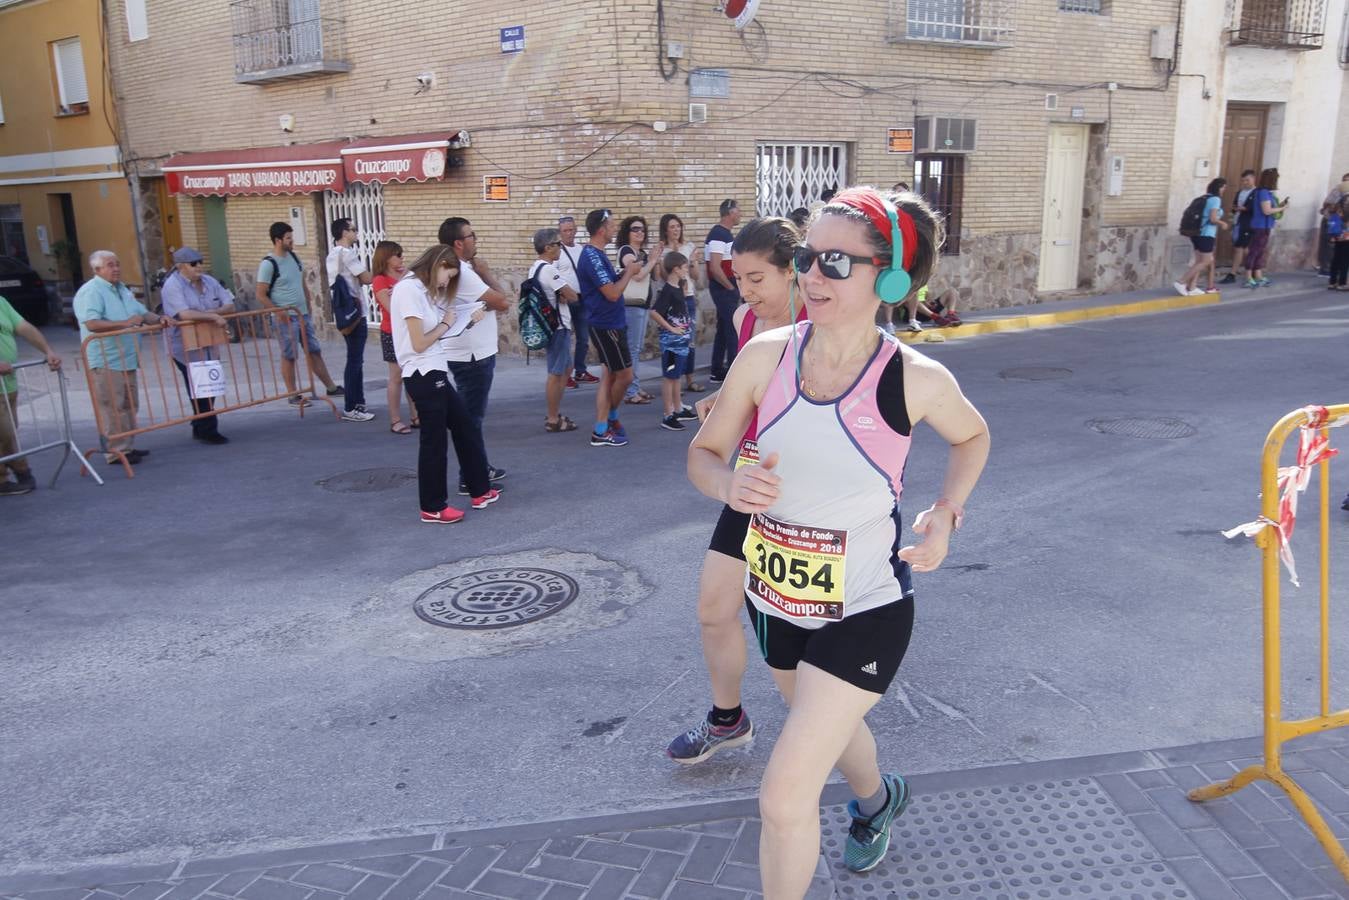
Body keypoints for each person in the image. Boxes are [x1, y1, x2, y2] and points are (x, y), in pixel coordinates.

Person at [687, 187, 989, 895]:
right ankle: (880, 799)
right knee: (818, 720)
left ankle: (868, 805)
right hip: (778, 599)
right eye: (806, 259)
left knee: (783, 795)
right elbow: (703, 455)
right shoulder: (765, 356)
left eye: (832, 262)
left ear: (887, 277)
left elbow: (972, 436)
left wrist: (947, 511)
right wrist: (726, 486)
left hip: (867, 606)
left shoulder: (913, 379)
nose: (809, 276)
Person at [666, 216, 811, 766]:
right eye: (738, 277)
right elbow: (744, 385)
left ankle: (828, 739)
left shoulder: (829, 330)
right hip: (752, 483)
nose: (744, 290)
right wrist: (723, 399)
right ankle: (729, 719)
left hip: (814, 497)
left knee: (801, 631)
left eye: (755, 278)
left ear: (794, 272)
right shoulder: (746, 318)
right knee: (713, 608)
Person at [389, 244, 498, 523]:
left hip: (434, 370)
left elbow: (436, 333)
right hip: (422, 373)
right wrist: (448, 324)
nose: (446, 283)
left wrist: (464, 321)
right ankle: (433, 506)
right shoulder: (409, 291)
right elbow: (419, 342)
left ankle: (479, 489)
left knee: (464, 427)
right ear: (438, 264)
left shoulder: (423, 292)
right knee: (434, 441)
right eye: (447, 276)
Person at [437, 217, 509, 494]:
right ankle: (470, 476)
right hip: (472, 355)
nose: (475, 240)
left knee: (471, 416)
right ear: (458, 242)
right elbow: (502, 301)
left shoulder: (455, 269)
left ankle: (479, 466)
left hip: (467, 352)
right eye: (472, 235)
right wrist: (486, 273)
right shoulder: (464, 272)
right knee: (471, 418)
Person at [75, 251, 166, 465]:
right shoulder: (91, 291)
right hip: (106, 359)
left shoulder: (122, 288)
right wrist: (125, 323)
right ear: (97, 270)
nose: (116, 268)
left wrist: (161, 319)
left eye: (117, 264)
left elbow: (141, 313)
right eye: (110, 265)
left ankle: (127, 446)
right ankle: (116, 451)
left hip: (127, 357)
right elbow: (92, 323)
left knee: (129, 404)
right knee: (112, 406)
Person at [255, 222, 341, 406]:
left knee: (314, 351)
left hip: (302, 314)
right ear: (278, 240)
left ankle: (331, 387)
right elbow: (260, 294)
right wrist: (278, 312)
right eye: (288, 238)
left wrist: (308, 302)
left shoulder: (294, 257)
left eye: (291, 237)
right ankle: (293, 394)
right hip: (285, 317)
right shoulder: (268, 264)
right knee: (289, 355)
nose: (291, 241)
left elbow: (301, 282)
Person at [577, 208, 642, 447]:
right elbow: (613, 293)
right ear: (602, 230)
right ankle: (608, 421)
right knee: (624, 375)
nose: (615, 230)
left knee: (610, 375)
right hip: (607, 325)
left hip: (610, 322)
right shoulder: (592, 257)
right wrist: (630, 272)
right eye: (613, 226)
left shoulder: (597, 254)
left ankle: (602, 426)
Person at [160, 247, 234, 445]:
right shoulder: (172, 286)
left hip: (209, 341)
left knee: (211, 383)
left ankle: (200, 424)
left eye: (200, 261)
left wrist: (215, 312)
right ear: (181, 266)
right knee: (199, 386)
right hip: (184, 345)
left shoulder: (209, 281)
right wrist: (212, 316)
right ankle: (208, 429)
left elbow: (229, 303)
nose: (199, 266)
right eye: (194, 264)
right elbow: (183, 314)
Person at [0, 295, 61, 495]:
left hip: (8, 384)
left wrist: (47, 350)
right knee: (5, 432)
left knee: (9, 432)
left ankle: (11, 473)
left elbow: (23, 327)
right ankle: (19, 471)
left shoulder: (1, 301)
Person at [529, 227, 579, 431]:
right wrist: (565, 294)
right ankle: (552, 418)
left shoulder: (535, 268)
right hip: (557, 327)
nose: (561, 247)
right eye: (558, 244)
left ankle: (555, 412)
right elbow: (573, 296)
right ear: (548, 247)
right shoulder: (549, 270)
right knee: (556, 372)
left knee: (565, 369)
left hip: (552, 325)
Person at [326, 217, 375, 422]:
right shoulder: (348, 254)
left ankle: (356, 404)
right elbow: (366, 279)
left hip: (343, 313)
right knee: (355, 361)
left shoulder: (332, 255)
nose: (356, 233)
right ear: (344, 233)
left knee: (353, 359)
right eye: (353, 230)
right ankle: (353, 406)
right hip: (356, 313)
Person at [654, 213, 706, 394]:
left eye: (678, 226)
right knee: (671, 341)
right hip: (669, 298)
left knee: (688, 340)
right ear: (665, 230)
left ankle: (689, 379)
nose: (676, 230)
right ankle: (672, 381)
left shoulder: (689, 247)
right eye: (672, 227)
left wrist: (692, 261)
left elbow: (696, 277)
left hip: (688, 297)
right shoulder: (663, 250)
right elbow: (660, 278)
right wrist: (659, 262)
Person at [371, 241, 418, 434]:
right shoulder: (380, 280)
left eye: (401, 254)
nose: (401, 258)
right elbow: (390, 307)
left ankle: (416, 415)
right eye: (397, 255)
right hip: (392, 331)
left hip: (409, 330)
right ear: (386, 257)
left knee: (412, 374)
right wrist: (400, 289)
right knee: (396, 376)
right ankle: (395, 419)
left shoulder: (406, 275)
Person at [650, 251, 698, 431]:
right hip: (671, 343)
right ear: (676, 269)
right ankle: (668, 414)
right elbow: (654, 312)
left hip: (681, 342)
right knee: (670, 377)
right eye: (685, 267)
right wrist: (671, 329)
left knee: (676, 376)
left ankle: (678, 408)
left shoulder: (678, 287)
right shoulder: (668, 291)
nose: (687, 270)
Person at [617, 216, 659, 406]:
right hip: (630, 305)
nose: (639, 232)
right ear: (627, 232)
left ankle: (635, 386)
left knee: (636, 349)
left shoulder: (641, 252)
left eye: (642, 229)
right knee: (632, 349)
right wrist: (651, 261)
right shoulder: (626, 251)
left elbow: (655, 276)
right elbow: (639, 275)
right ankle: (631, 391)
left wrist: (655, 260)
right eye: (635, 229)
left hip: (642, 305)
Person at [555, 215, 599, 387]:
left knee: (583, 337)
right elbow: (553, 274)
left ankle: (580, 370)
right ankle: (565, 375)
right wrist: (559, 294)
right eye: (565, 230)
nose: (569, 233)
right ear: (560, 233)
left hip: (582, 299)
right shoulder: (557, 251)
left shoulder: (581, 249)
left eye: (572, 229)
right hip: (565, 300)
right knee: (565, 338)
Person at [706, 199, 743, 382]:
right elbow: (715, 266)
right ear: (730, 212)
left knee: (723, 329)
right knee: (732, 329)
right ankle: (733, 372)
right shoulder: (719, 235)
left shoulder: (725, 234)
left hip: (727, 287)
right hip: (723, 288)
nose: (741, 214)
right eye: (738, 210)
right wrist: (730, 287)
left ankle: (717, 370)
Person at [1174, 178, 1228, 297]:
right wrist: (1222, 223)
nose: (1224, 190)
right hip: (1206, 234)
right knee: (1206, 261)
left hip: (1196, 233)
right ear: (1219, 187)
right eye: (1224, 187)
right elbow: (1213, 219)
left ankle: (1192, 287)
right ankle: (1181, 281)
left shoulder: (1204, 198)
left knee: (1199, 261)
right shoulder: (1215, 200)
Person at [1243, 168, 1288, 289]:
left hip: (1266, 225)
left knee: (1260, 252)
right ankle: (1248, 277)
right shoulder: (1263, 192)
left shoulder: (1267, 193)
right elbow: (1266, 210)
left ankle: (1258, 275)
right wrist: (1282, 209)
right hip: (1260, 226)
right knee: (1254, 251)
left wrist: (1280, 205)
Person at [1221, 170, 1257, 284]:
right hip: (1238, 223)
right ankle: (1254, 270)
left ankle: (1232, 274)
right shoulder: (1240, 192)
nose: (1245, 182)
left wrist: (1243, 209)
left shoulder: (1257, 193)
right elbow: (1234, 207)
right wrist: (1233, 215)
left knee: (1239, 248)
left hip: (1248, 224)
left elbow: (1255, 208)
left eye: (1247, 180)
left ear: (1253, 179)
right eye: (1243, 180)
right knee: (1245, 249)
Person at [1329, 193, 1349, 292]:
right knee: (1345, 262)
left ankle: (1332, 282)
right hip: (1346, 239)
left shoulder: (1336, 212)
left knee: (1336, 260)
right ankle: (1342, 283)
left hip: (1337, 238)